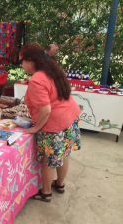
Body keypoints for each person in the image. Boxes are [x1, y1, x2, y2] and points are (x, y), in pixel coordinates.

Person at [20, 43, 81, 202]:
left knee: (48, 160)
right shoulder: (52, 69)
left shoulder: (37, 79)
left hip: (55, 123)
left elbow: (46, 110)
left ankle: (46, 192)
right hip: (70, 117)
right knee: (64, 154)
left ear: (31, 61)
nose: (21, 65)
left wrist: (36, 128)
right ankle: (60, 184)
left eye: (23, 61)